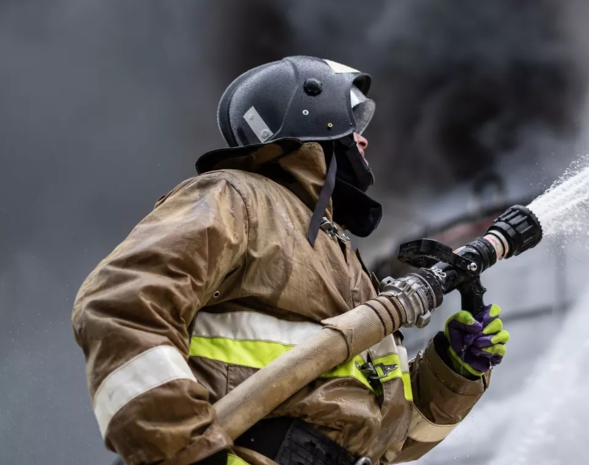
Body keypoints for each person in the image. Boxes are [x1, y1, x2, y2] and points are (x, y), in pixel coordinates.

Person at [72, 56, 510, 465]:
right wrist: (182, 448)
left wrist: (455, 371)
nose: (364, 136)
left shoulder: (344, 260)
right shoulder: (236, 198)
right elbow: (120, 306)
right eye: (353, 115)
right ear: (311, 113)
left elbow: (393, 440)